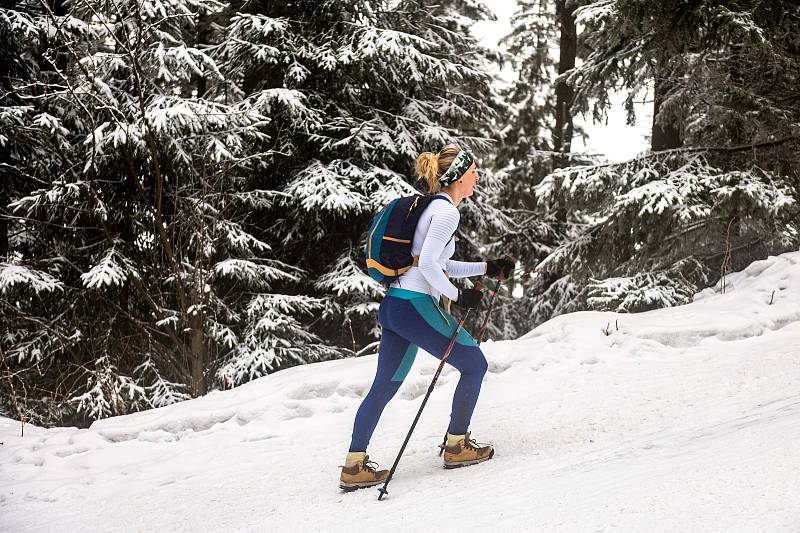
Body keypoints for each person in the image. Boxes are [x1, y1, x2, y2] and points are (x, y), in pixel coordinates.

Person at [339, 145, 515, 491]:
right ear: (460, 177)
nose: (477, 177)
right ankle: (457, 446)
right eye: (474, 172)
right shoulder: (447, 213)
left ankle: (354, 466)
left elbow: (437, 263)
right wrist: (458, 296)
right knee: (475, 364)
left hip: (395, 306)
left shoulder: (430, 207)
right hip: (415, 307)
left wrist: (486, 267)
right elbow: (432, 266)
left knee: (385, 386)